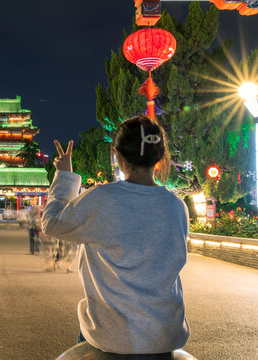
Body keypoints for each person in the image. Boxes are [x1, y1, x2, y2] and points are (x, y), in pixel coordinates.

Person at [42, 115, 189, 355]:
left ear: (118, 157)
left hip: (112, 335)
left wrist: (65, 175)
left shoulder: (102, 199)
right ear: (160, 158)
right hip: (166, 335)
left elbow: (52, 223)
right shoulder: (177, 206)